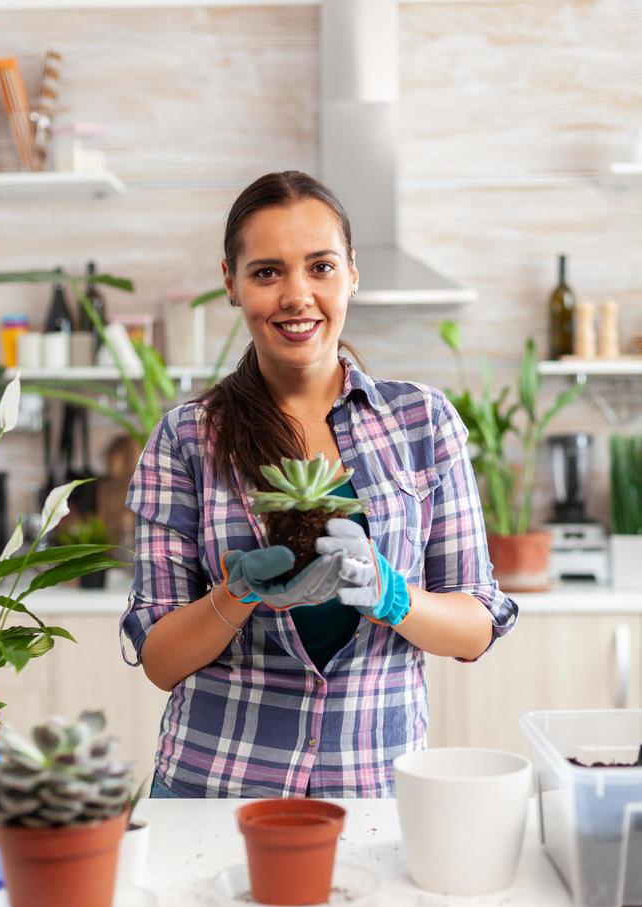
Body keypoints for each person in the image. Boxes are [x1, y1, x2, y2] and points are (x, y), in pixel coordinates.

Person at [120, 170, 518, 799]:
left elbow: (476, 624)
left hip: (376, 790)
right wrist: (239, 593)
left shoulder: (423, 421)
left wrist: (392, 596)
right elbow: (161, 660)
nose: (297, 295)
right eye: (267, 272)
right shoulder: (187, 439)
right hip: (217, 790)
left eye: (321, 267)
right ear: (232, 281)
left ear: (352, 273)